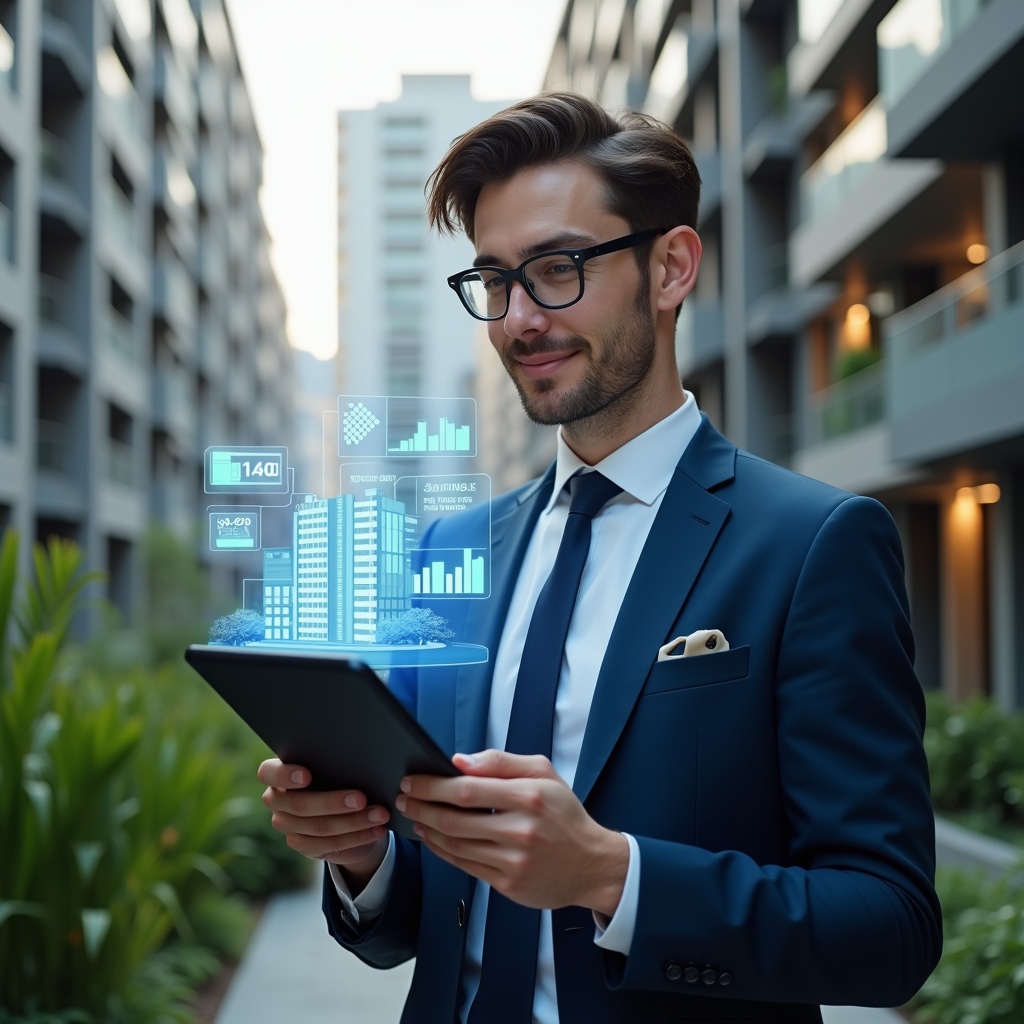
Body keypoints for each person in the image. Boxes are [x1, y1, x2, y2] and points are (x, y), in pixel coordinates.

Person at [258, 93, 941, 1024]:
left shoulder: (813, 543)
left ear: (670, 267)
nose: (518, 321)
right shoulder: (451, 551)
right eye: (496, 282)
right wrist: (361, 858)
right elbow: (420, 923)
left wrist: (611, 876)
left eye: (558, 268)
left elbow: (890, 931)